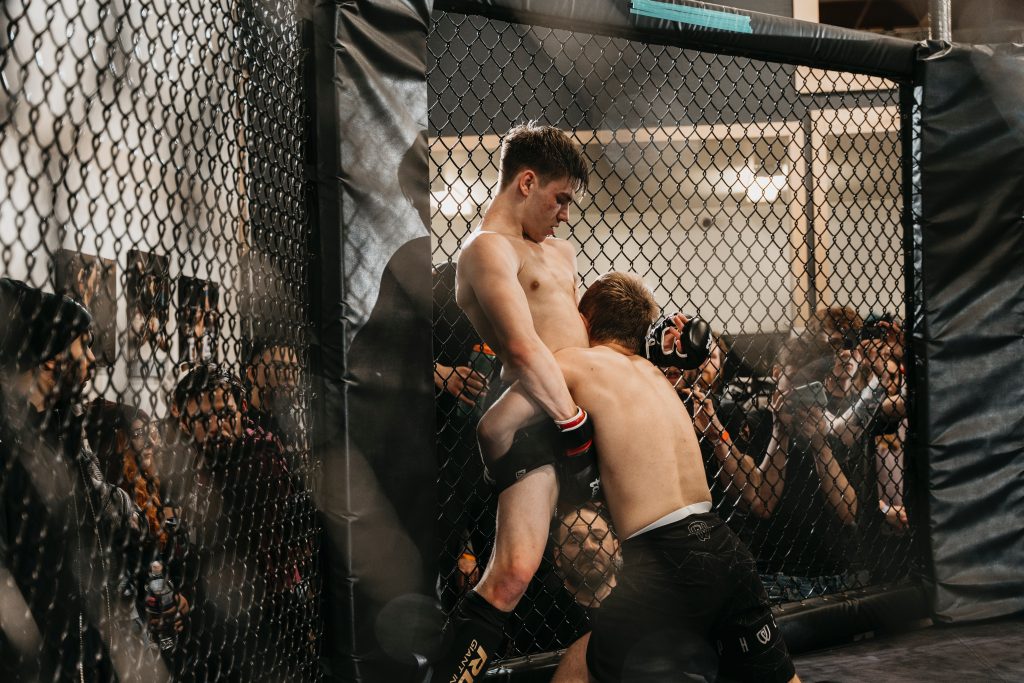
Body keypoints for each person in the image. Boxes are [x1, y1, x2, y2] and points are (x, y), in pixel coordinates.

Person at [545, 272, 798, 683]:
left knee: (581, 668)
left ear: (585, 321)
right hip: (723, 546)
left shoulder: (575, 362)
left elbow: (524, 364)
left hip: (664, 557)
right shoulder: (658, 379)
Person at [0, 278, 149, 681]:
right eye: (83, 344)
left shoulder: (67, 429)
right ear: (49, 356)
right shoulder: (9, 447)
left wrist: (129, 510)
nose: (94, 359)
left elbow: (94, 501)